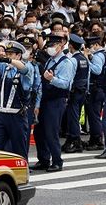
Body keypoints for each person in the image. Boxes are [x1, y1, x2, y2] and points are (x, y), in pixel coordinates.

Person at [32, 34, 76, 172]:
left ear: (61, 45)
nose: (50, 48)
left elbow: (66, 84)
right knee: (39, 131)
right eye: (48, 46)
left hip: (57, 100)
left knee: (51, 131)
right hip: (46, 98)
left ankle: (57, 161)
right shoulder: (50, 60)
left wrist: (52, 79)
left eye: (53, 45)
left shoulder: (66, 62)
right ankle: (43, 159)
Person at [63, 34, 89, 153]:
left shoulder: (73, 60)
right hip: (83, 91)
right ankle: (72, 140)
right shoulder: (84, 58)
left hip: (74, 91)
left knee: (72, 117)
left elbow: (70, 77)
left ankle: (74, 141)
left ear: (70, 46)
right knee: (76, 116)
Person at [84, 35, 106, 151]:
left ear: (96, 45)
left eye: (91, 46)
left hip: (96, 88)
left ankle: (96, 140)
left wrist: (87, 60)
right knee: (95, 115)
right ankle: (95, 138)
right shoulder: (103, 54)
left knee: (94, 116)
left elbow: (97, 70)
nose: (89, 49)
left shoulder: (98, 56)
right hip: (100, 88)